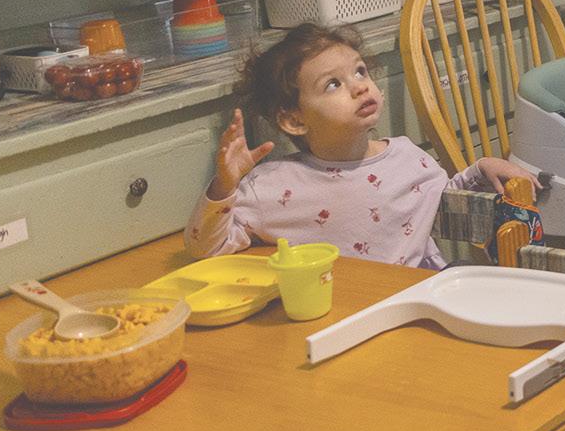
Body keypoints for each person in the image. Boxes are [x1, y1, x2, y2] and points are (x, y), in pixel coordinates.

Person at [186, 23, 536, 266]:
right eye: (333, 84)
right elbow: (206, 247)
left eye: (360, 71)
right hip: (337, 314)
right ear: (294, 120)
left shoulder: (407, 158)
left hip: (419, 302)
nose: (359, 86)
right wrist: (224, 186)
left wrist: (480, 169)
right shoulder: (272, 186)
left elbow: (444, 202)